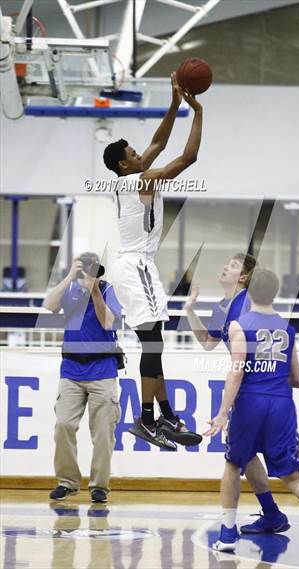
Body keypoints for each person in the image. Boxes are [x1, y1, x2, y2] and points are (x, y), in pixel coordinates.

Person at [185, 253, 299, 531]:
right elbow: (207, 342)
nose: (225, 265)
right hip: (257, 389)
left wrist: (225, 410)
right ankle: (281, 509)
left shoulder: (248, 304)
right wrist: (190, 310)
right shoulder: (222, 308)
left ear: (244, 277)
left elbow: (259, 347)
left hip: (254, 386)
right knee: (254, 451)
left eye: (234, 264)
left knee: (245, 453)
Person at [102, 73, 202, 451]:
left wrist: (175, 102)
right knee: (153, 345)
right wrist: (198, 113)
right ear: (125, 166)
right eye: (133, 154)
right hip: (135, 265)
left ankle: (166, 417)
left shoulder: (133, 175)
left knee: (153, 342)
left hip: (140, 266)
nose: (140, 154)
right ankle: (147, 419)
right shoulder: (137, 182)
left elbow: (159, 141)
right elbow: (187, 157)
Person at [43, 253, 122, 503]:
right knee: (63, 424)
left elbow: (108, 322)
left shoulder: (108, 290)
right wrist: (69, 276)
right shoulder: (70, 287)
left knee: (102, 432)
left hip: (102, 370)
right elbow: (48, 304)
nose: (88, 272)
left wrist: (95, 290)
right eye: (84, 267)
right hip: (72, 370)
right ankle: (67, 482)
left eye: (92, 268)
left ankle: (99, 486)